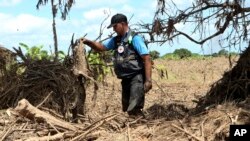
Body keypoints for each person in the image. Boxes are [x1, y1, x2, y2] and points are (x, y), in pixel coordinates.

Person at [80, 13, 152, 117]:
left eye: (115, 26)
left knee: (135, 107)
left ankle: (141, 129)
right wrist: (88, 42)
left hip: (136, 78)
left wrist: (148, 80)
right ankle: (134, 128)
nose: (113, 29)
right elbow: (102, 47)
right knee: (127, 108)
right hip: (125, 79)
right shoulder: (116, 40)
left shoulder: (135, 38)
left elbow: (147, 58)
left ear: (122, 24)